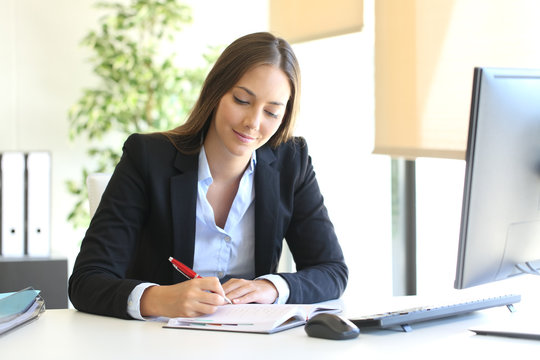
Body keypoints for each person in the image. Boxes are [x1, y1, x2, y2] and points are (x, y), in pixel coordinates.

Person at [68, 32, 348, 320]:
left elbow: (332, 271)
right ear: (216, 92)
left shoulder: (292, 161)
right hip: (157, 342)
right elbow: (86, 281)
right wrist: (158, 298)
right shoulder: (148, 158)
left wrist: (272, 287)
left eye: (272, 112)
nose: (253, 123)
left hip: (250, 341)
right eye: (241, 100)